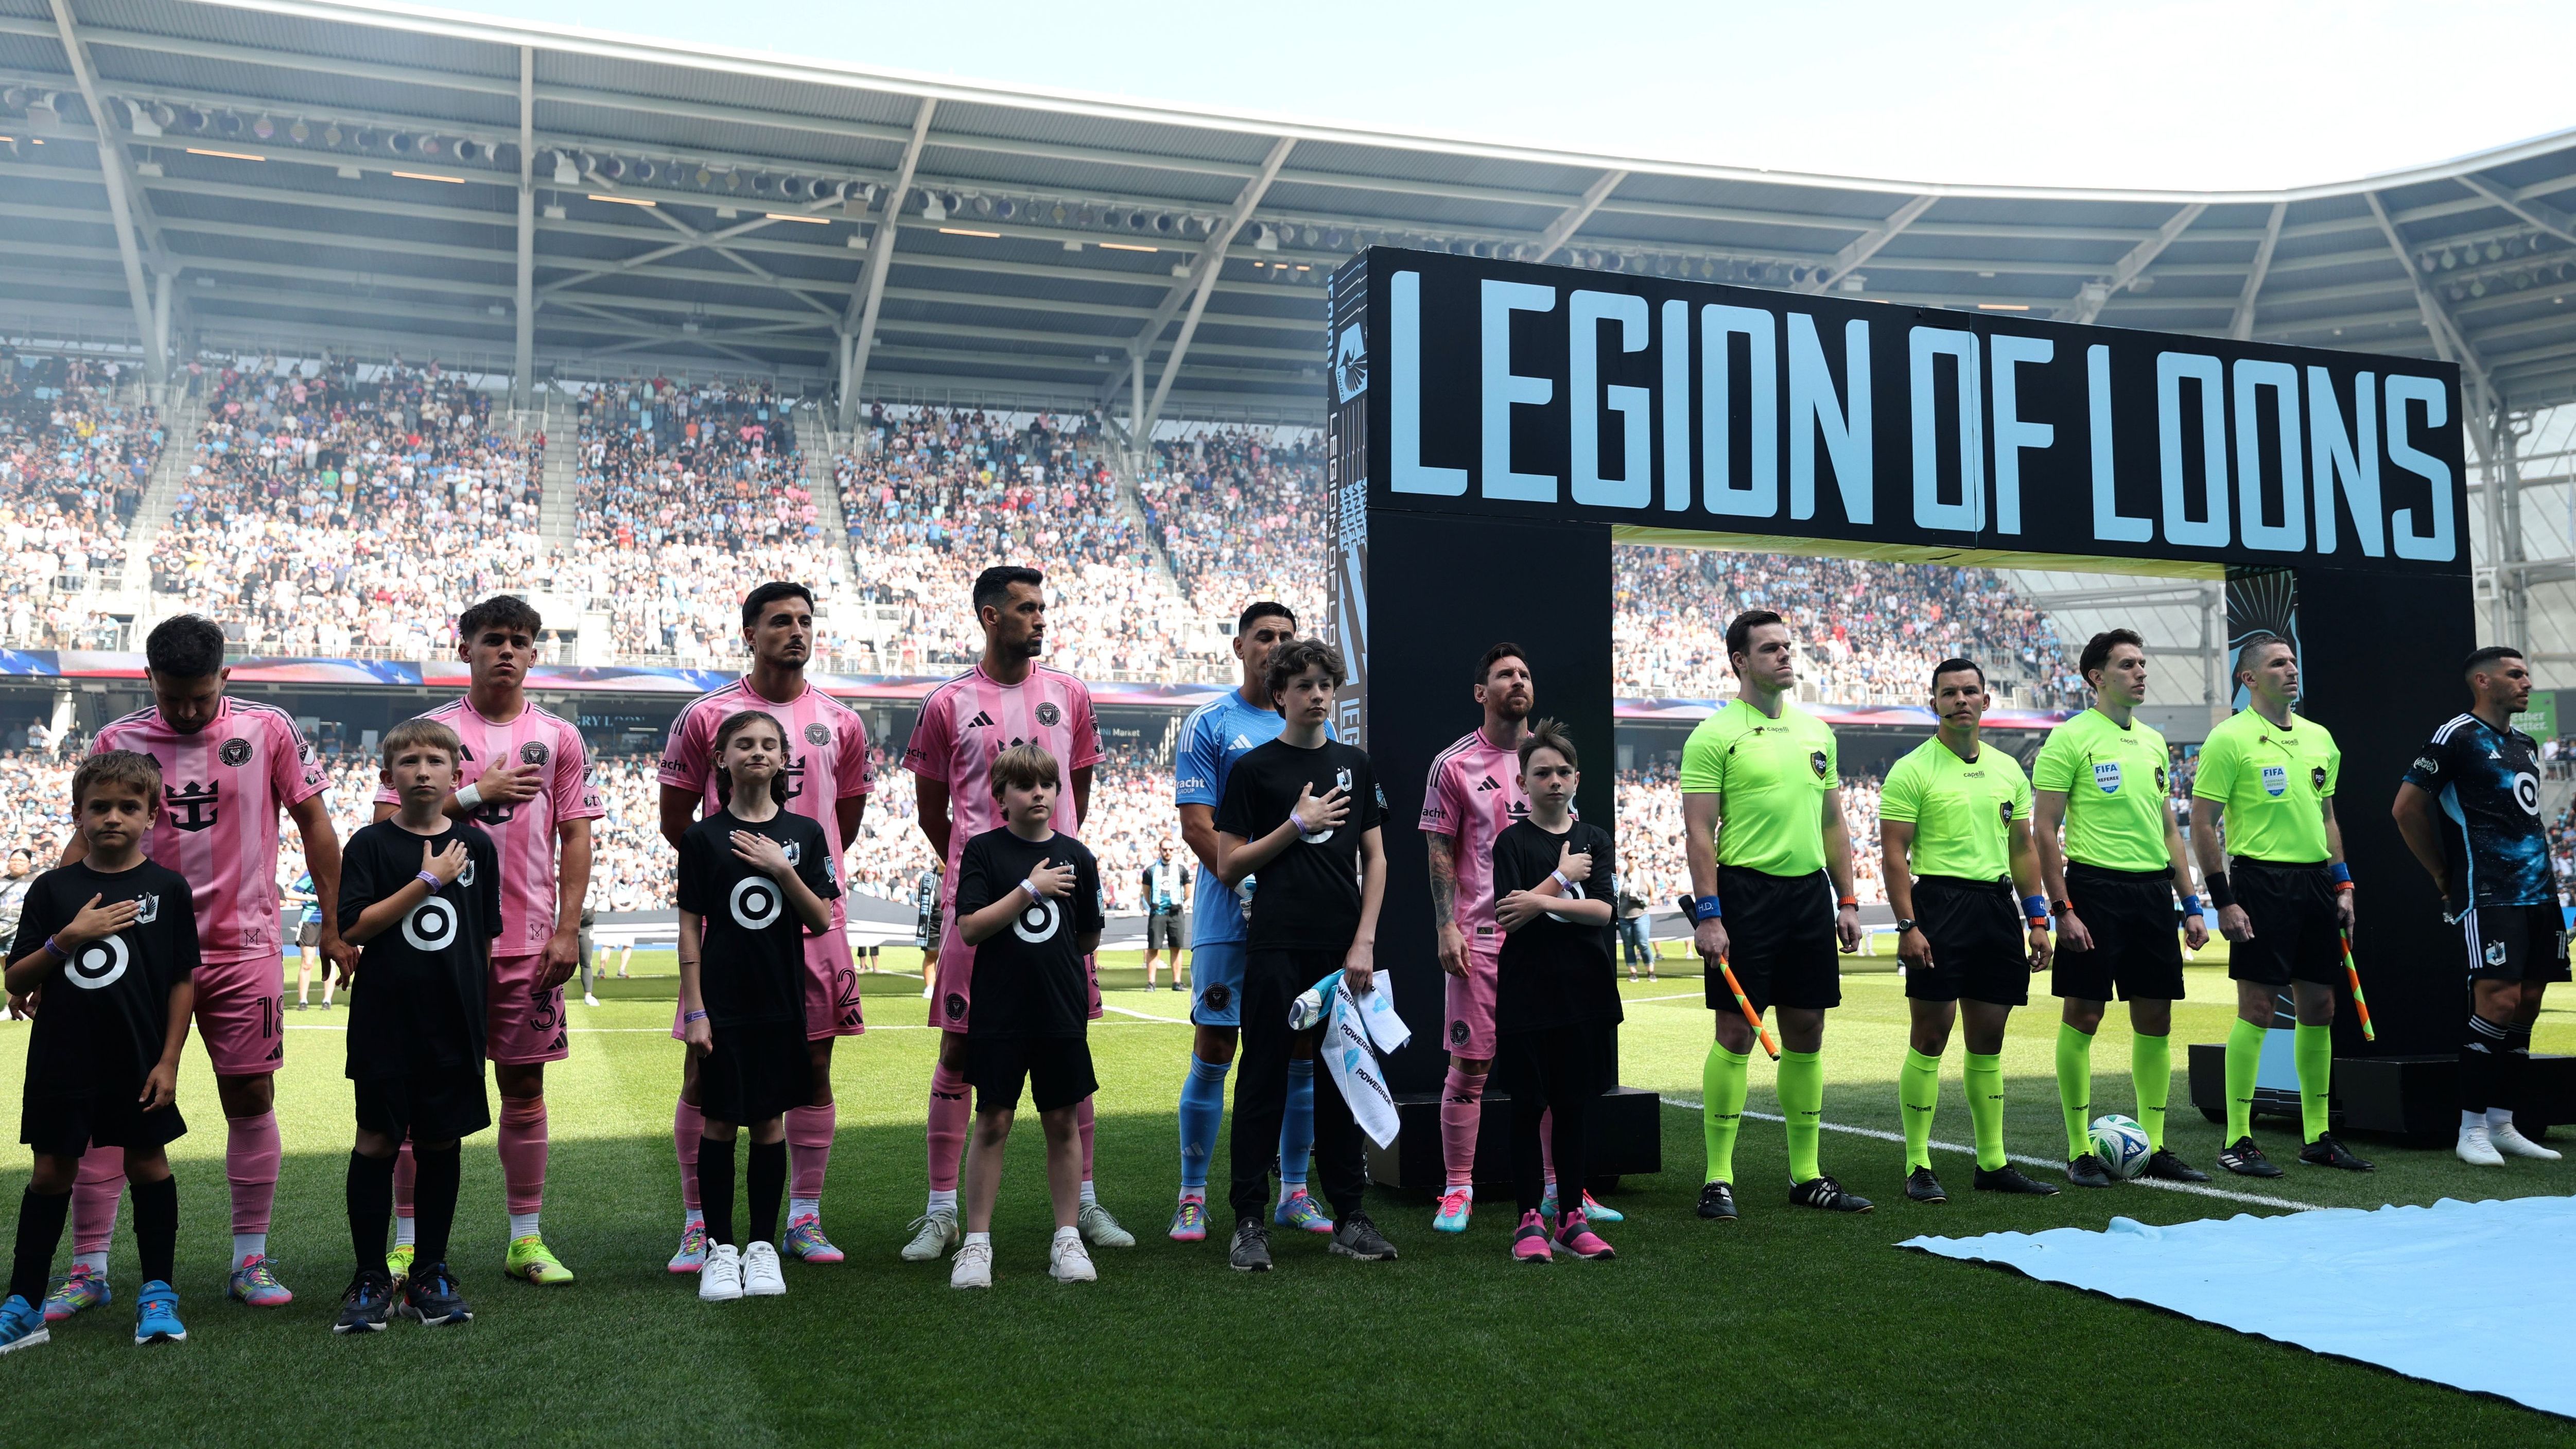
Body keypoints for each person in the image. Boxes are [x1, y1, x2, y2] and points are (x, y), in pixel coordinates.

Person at [55, 614, 343, 1321]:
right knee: (112, 1107)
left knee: (249, 1096)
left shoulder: (269, 729)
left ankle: (250, 1256)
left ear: (225, 678)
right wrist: (50, 938)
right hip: (139, 952)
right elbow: (85, 842)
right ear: (149, 680)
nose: (186, 711)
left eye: (200, 697)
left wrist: (335, 922)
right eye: (172, 697)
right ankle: (89, 1266)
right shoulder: (117, 740)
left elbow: (315, 823)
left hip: (244, 947)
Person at [900, 565, 1129, 1263]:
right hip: (984, 898)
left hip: (1055, 897)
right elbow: (930, 811)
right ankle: (943, 1212)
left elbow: (1075, 798)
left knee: (1068, 1042)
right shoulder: (948, 701)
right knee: (960, 1048)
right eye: (1027, 608)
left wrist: (1050, 867)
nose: (1040, 618)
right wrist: (989, 870)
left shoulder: (1070, 694)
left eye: (1042, 607)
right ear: (990, 616)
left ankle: (1083, 1203)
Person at [373, 596, 602, 1284]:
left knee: (524, 1086)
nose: (507, 650)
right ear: (465, 646)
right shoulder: (430, 729)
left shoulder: (559, 736)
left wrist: (567, 929)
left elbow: (577, 833)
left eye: (520, 640)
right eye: (493, 638)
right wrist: (476, 793)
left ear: (535, 653)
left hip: (529, 941)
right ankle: (408, 1244)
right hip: (435, 941)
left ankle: (525, 1239)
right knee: (419, 1096)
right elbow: (389, 821)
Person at [658, 582, 873, 1272]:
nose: (795, 631)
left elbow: (843, 824)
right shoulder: (707, 715)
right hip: (732, 935)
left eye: (805, 620)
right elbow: (678, 820)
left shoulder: (841, 720)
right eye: (780, 621)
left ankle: (803, 1217)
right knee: (705, 1069)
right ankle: (700, 1223)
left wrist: (793, 875)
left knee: (813, 1067)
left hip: (814, 922)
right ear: (749, 632)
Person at [0, 750, 199, 1352]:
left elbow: (181, 981)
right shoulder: (53, 888)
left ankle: (158, 1294)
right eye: (100, 807)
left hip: (138, 1058)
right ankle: (24, 1303)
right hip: (63, 1057)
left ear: (152, 816)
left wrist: (169, 1060)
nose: (114, 817)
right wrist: (68, 938)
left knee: (148, 1163)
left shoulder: (167, 888)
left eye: (129, 807)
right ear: (78, 814)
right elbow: (16, 978)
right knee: (51, 1171)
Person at [1212, 636, 1399, 1271]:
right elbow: (1228, 863)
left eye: (1326, 684)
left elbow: (1375, 859)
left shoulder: (1356, 762)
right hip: (1274, 944)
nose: (1317, 695)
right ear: (1280, 695)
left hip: (1341, 948)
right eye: (1304, 686)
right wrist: (1296, 822)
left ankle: (1351, 1215)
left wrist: (1364, 939)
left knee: (1342, 1082)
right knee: (1262, 1077)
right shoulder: (1253, 769)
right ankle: (1247, 1221)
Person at [1681, 609, 1870, 1221]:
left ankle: (1807, 1175)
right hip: (1745, 896)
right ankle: (1717, 1179)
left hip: (1807, 896)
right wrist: (1710, 914)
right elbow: (1699, 831)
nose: (1785, 656)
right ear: (1740, 660)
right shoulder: (1714, 734)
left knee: (1808, 1031)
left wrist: (1846, 899)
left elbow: (1834, 822)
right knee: (1736, 1032)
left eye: (1788, 646)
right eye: (1770, 649)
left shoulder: (1818, 732)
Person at [1426, 645, 1607, 1233]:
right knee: (1472, 1065)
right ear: (1482, 691)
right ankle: (1458, 1188)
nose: (1518, 681)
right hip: (1481, 938)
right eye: (1505, 674)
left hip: (1550, 945)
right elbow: (1438, 849)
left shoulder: (1548, 762)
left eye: (1526, 673)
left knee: (1557, 1071)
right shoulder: (1454, 764)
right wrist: (1446, 924)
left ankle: (1563, 1190)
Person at [1168, 602, 1333, 1243]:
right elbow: (1194, 821)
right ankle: (1191, 1197)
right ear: (1239, 646)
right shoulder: (1211, 722)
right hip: (1227, 916)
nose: (1277, 645)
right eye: (1264, 636)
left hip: (1301, 923)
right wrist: (1244, 878)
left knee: (1299, 1046)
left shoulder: (1314, 725)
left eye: (1288, 637)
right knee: (1216, 1044)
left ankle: (1294, 1190)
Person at [329, 719, 500, 1333]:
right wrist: (428, 881)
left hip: (453, 1025)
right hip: (385, 1022)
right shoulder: (370, 846)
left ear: (459, 774)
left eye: (435, 760)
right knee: (376, 1141)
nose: (422, 770)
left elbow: (482, 940)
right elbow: (356, 928)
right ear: (387, 775)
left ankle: (429, 1271)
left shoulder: (477, 847)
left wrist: (474, 1014)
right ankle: (371, 1274)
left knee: (440, 1143)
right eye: (409, 761)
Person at [2033, 629, 2211, 1189]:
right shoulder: (2070, 739)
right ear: (2096, 676)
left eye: (2142, 663)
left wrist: (2191, 904)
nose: (2141, 672)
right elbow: (2043, 828)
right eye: (2128, 664)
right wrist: (2062, 908)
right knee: (2084, 1016)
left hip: (2152, 893)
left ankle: (2155, 1145)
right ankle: (2078, 1147)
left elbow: (2170, 832)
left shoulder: (2155, 742)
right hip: (2094, 890)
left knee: (2156, 1019)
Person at [1878, 658, 2061, 1202]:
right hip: (1937, 902)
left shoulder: (2009, 770)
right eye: (1950, 692)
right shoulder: (1912, 769)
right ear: (1933, 701)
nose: (1961, 699)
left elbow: (2024, 849)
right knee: (1931, 1036)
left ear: (1986, 700)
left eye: (1970, 691)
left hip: (1995, 906)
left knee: (1989, 1040)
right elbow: (1894, 854)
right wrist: (1908, 924)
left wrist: (2037, 919)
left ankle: (1993, 1162)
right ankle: (1918, 1163)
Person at [2190, 637, 2370, 1176]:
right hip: (2260, 882)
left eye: (2293, 660)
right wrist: (2224, 900)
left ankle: (2318, 1135)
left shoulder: (2319, 738)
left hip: (2316, 883)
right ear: (2249, 679)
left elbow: (2328, 817)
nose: (2291, 669)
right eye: (2277, 663)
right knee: (2259, 1010)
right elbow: (2203, 822)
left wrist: (2343, 885)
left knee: (2321, 1009)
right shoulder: (2229, 738)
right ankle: (2238, 1138)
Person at [677, 710, 840, 1303]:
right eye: (743, 743)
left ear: (783, 759)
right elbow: (691, 931)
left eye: (769, 744)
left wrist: (781, 866)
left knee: (770, 1121)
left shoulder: (806, 832)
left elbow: (821, 917)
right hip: (722, 1002)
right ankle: (719, 1250)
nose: (757, 752)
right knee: (719, 1119)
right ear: (721, 758)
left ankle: (763, 1247)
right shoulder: (701, 837)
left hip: (780, 1001)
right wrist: (695, 1009)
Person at [2393, 645, 2567, 1166]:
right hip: (2489, 892)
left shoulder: (2525, 742)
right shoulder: (2457, 736)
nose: (2526, 681)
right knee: (2496, 999)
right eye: (2515, 674)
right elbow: (2406, 807)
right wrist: (2444, 873)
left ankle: (2502, 1121)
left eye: (2527, 673)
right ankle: (2470, 1129)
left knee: (2528, 1003)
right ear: (2483, 682)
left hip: (2540, 892)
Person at [948, 745, 1106, 1289]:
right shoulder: (985, 852)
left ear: (1059, 792)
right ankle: (976, 1244)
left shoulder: (1079, 856)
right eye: (1025, 785)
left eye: (1047, 784)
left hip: (1061, 1011)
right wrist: (1029, 889)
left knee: (1063, 1121)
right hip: (1000, 1013)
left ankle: (1067, 1238)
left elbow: (1087, 936)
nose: (1038, 793)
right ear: (1001, 796)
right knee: (992, 1121)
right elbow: (970, 927)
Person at [1490, 720, 1621, 1263]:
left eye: (1563, 771)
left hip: (1584, 992)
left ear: (1577, 778)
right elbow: (1508, 915)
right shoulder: (1512, 842)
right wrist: (1564, 876)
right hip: (1527, 992)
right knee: (1527, 1106)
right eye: (1541, 772)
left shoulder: (1594, 838)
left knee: (1572, 1107)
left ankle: (1571, 1215)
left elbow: (1604, 910)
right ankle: (1528, 1220)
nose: (1554, 780)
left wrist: (1547, 896)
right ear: (1522, 783)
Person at [1140, 844, 1188, 990]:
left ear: (1174, 850)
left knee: (1176, 947)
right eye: (1165, 849)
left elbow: (1188, 890)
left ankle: (1177, 982)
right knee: (1154, 947)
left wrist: (1179, 903)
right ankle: (1151, 982)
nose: (1168, 852)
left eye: (1170, 849)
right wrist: (1155, 905)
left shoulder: (1181, 869)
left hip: (1176, 913)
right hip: (1157, 913)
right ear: (1160, 850)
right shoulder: (1151, 870)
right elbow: (1146, 893)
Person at [287, 870, 332, 1011]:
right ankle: (303, 1001)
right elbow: (290, 893)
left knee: (330, 960)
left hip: (330, 920)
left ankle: (327, 1001)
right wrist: (314, 897)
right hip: (310, 920)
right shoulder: (311, 873)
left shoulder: (339, 870)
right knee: (308, 962)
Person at [1615, 872, 1655, 983]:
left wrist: (1647, 906)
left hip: (1641, 915)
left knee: (1643, 943)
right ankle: (1633, 973)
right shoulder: (1621, 877)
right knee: (1628, 945)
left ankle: (1651, 972)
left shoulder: (1645, 875)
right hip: (1623, 916)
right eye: (1631, 857)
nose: (1633, 860)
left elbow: (1652, 892)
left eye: (1635, 857)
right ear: (1627, 859)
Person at [912, 863, 942, 1001]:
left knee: (950, 958)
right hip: (932, 923)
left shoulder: (958, 874)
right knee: (931, 955)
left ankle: (947, 987)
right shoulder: (929, 877)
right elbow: (922, 899)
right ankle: (930, 987)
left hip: (953, 923)